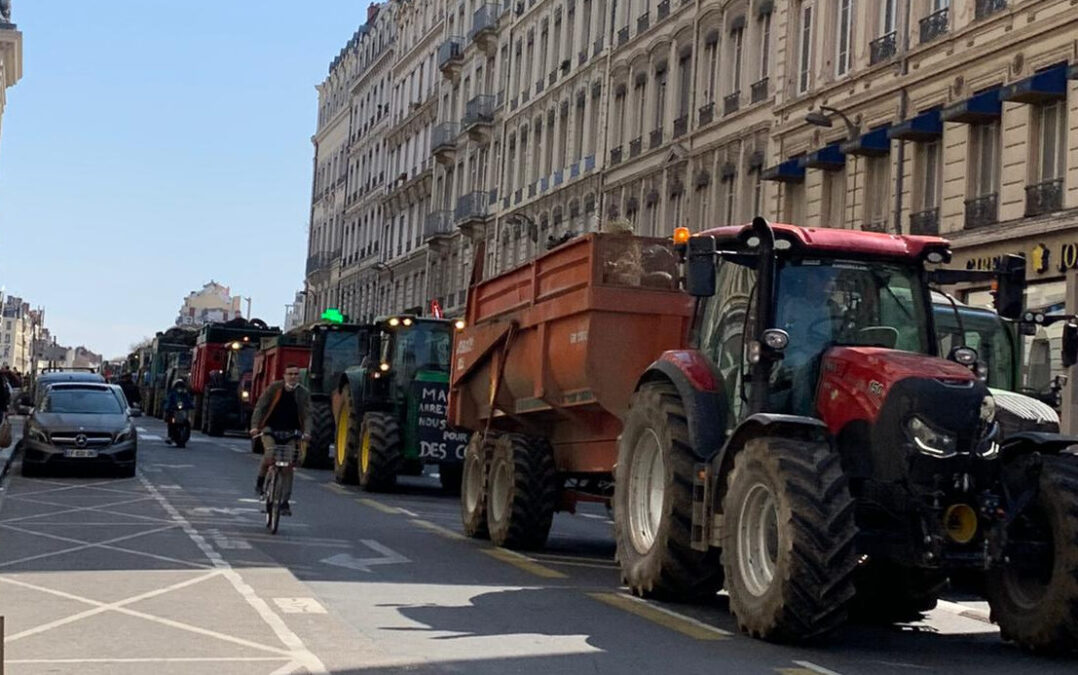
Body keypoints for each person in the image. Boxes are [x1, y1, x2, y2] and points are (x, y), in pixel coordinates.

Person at [250, 366, 311, 514]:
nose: (293, 377)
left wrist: (307, 432)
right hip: (270, 430)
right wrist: (254, 427)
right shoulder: (274, 388)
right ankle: (260, 482)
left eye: (296, 374)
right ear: (284, 375)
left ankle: (284, 502)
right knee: (270, 456)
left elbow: (307, 415)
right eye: (289, 374)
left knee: (287, 465)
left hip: (290, 433)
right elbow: (260, 407)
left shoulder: (303, 393)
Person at [163, 379, 194, 445]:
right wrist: (167, 407)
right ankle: (170, 436)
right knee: (171, 421)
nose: (180, 389)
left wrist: (191, 405)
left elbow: (189, 401)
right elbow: (168, 401)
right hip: (174, 411)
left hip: (183, 411)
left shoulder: (185, 394)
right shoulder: (172, 394)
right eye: (178, 387)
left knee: (187, 421)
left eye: (181, 387)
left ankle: (185, 435)